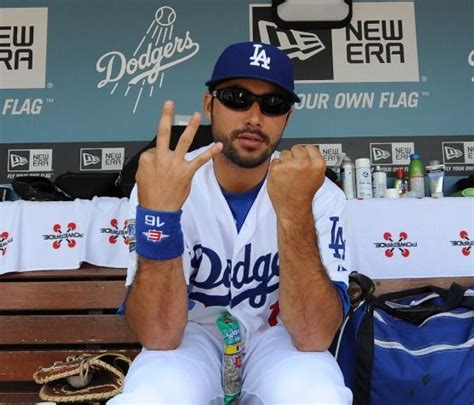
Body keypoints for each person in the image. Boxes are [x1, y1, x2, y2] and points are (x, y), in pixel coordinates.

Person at [109, 41, 352, 404]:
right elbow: (159, 336)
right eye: (237, 97)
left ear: (287, 117)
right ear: (210, 105)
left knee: (319, 395)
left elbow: (314, 336)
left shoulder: (319, 193)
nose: (254, 117)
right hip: (191, 338)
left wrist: (295, 210)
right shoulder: (165, 181)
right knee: (150, 397)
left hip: (277, 339)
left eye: (273, 104)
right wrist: (160, 212)